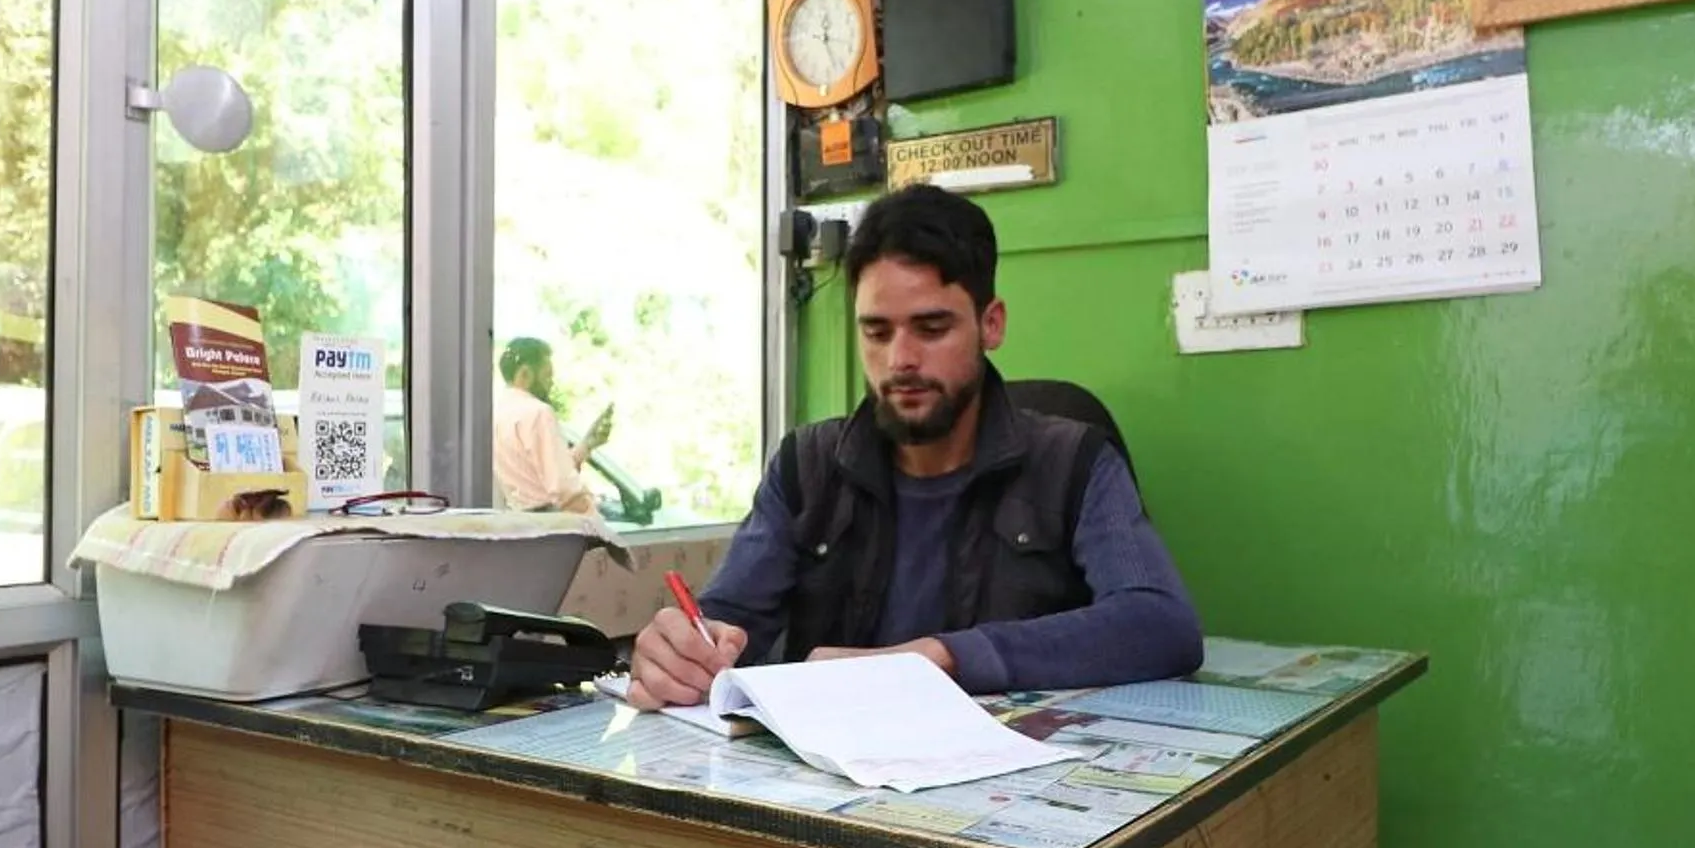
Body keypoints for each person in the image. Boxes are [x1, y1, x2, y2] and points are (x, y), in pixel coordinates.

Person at [627, 186, 1203, 706]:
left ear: (992, 324)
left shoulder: (1072, 462)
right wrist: (682, 652)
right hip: (823, 782)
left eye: (931, 329)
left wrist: (941, 657)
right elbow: (727, 625)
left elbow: (1160, 624)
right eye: (877, 332)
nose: (900, 359)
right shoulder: (806, 469)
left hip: (1009, 787)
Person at [491, 336, 611, 515]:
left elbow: (534, 473)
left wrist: (586, 445)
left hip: (517, 526)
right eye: (547, 376)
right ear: (525, 374)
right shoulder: (538, 412)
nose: (551, 384)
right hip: (551, 528)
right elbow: (564, 489)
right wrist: (597, 525)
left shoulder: (496, 413)